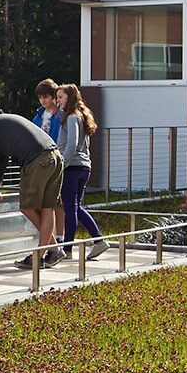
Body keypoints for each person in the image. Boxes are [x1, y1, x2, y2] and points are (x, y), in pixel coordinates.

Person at [0, 97, 65, 267]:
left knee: (27, 207)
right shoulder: (1, 122)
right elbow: (2, 157)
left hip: (37, 161)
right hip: (55, 157)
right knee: (47, 207)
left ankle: (42, 254)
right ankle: (52, 251)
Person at [56, 84, 107, 258]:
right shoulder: (80, 116)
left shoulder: (71, 117)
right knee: (75, 207)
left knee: (70, 208)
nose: (58, 101)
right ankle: (98, 241)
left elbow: (72, 144)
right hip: (84, 167)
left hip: (72, 167)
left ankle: (68, 249)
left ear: (70, 97)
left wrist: (62, 165)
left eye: (61, 97)